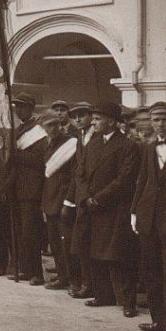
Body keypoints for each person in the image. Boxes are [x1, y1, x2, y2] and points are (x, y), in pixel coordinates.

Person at [77, 102, 142, 318]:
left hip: (115, 208)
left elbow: (125, 179)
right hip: (92, 207)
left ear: (112, 121)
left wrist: (99, 199)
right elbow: (81, 173)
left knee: (119, 256)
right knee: (94, 252)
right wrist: (86, 197)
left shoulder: (128, 145)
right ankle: (103, 294)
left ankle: (127, 302)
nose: (93, 123)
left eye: (97, 119)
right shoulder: (92, 143)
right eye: (93, 119)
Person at [132, 101, 166, 331]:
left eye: (165, 119)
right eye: (156, 120)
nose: (160, 124)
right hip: (148, 218)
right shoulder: (149, 148)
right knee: (151, 270)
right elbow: (142, 181)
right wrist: (134, 212)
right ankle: (158, 320)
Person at [8, 92, 48, 284]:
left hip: (31, 188)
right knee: (19, 232)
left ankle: (37, 273)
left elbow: (40, 161)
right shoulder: (19, 129)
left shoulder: (39, 131)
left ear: (31, 108)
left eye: (22, 107)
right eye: (17, 107)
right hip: (16, 186)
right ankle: (24, 268)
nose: (19, 110)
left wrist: (15, 154)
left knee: (30, 232)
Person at [40, 110, 79, 290]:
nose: (53, 128)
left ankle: (70, 278)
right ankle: (63, 275)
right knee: (55, 241)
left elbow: (74, 175)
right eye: (49, 125)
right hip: (49, 198)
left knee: (65, 242)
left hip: (63, 198)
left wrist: (68, 199)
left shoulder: (70, 143)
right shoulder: (47, 145)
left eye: (56, 124)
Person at [64, 101, 95, 298]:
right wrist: (70, 199)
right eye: (74, 116)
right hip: (80, 196)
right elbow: (77, 171)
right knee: (80, 242)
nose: (78, 119)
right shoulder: (79, 138)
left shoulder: (97, 136)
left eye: (82, 115)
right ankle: (85, 282)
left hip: (93, 197)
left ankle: (90, 284)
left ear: (91, 116)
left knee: (89, 243)